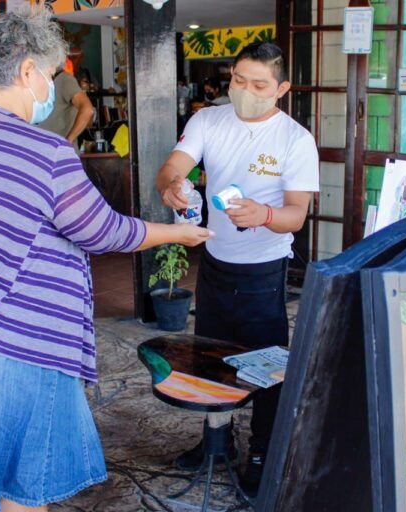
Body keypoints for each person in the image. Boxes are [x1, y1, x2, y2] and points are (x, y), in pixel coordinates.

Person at [0, 7, 211, 512]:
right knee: (26, 485)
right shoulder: (47, 152)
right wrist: (178, 233)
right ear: (28, 70)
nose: (51, 87)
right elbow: (103, 230)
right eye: (51, 74)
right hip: (27, 333)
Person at [156, 42, 319, 497]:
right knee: (210, 359)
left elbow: (296, 215)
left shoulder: (295, 140)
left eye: (259, 85)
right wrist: (172, 186)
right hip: (214, 264)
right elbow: (173, 166)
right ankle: (217, 439)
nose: (246, 91)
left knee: (267, 368)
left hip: (263, 272)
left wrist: (264, 215)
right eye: (238, 81)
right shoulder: (208, 120)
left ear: (282, 89)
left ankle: (263, 452)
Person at [38, 60, 95, 149]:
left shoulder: (64, 79)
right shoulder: (42, 82)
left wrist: (68, 141)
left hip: (58, 151)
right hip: (44, 150)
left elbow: (88, 110)